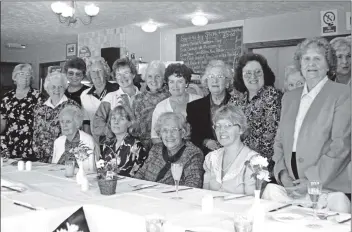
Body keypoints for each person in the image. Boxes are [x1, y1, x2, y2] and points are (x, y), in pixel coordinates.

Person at [266, 37, 351, 213]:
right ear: (300, 64)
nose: (311, 63)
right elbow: (279, 142)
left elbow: (340, 146)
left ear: (328, 65)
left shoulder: (343, 94)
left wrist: (312, 180)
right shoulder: (289, 97)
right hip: (291, 189)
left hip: (328, 191)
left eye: (317, 58)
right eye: (306, 58)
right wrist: (282, 174)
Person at [229, 53, 282, 173]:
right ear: (241, 76)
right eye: (247, 73)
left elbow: (269, 140)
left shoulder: (273, 96)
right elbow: (227, 128)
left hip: (261, 166)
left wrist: (241, 156)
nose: (253, 76)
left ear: (265, 74)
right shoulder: (236, 99)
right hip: (236, 162)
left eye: (258, 72)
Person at [135, 112, 204, 188]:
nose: (169, 135)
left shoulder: (193, 154)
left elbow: (193, 185)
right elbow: (140, 174)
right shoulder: (156, 149)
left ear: (183, 133)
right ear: (160, 133)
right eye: (165, 130)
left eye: (174, 130)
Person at [203, 105, 259, 195]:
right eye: (218, 126)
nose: (222, 130)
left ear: (241, 129)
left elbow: (252, 202)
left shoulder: (253, 161)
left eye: (228, 125)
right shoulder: (210, 158)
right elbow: (204, 195)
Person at [187, 60, 233, 155]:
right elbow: (192, 135)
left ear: (227, 83)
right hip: (204, 157)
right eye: (211, 77)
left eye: (219, 77)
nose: (214, 80)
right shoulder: (194, 107)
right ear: (206, 82)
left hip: (232, 155)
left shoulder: (238, 104)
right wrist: (206, 142)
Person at [32, 72, 80, 163]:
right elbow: (36, 132)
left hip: (64, 158)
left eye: (60, 87)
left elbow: (77, 133)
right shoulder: (39, 107)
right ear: (47, 88)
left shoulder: (72, 106)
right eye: (53, 87)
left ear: (65, 88)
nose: (57, 90)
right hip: (41, 159)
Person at [151, 63, 202, 144]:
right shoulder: (161, 107)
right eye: (171, 82)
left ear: (187, 83)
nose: (175, 86)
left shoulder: (199, 101)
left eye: (180, 81)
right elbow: (155, 138)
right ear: (167, 83)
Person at [93, 58, 140, 143]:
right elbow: (97, 123)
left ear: (133, 75)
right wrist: (112, 134)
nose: (122, 77)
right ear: (115, 77)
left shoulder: (143, 97)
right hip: (116, 147)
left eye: (126, 73)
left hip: (139, 148)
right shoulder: (110, 97)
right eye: (118, 74)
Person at [0, 64, 42, 160]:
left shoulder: (37, 96)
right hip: (10, 144)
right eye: (21, 74)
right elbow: (2, 123)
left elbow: (41, 122)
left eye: (28, 75)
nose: (25, 77)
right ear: (14, 77)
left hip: (30, 144)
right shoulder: (7, 97)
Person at [131, 61, 170, 151]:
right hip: (139, 148)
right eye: (150, 76)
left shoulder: (170, 97)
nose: (153, 80)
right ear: (145, 78)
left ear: (164, 78)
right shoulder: (137, 99)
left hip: (163, 146)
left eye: (157, 76)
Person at [101, 105, 148, 177]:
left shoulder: (136, 145)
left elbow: (138, 175)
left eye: (121, 119)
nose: (116, 122)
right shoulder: (107, 145)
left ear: (129, 123)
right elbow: (101, 171)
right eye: (113, 118)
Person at [52, 105, 98, 172]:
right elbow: (53, 167)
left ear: (77, 123)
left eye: (68, 122)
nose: (64, 125)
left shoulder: (88, 141)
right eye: (62, 122)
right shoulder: (58, 142)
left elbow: (91, 170)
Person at [80, 57, 119, 135]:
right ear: (89, 75)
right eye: (93, 71)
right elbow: (86, 122)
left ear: (105, 73)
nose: (96, 74)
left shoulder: (117, 89)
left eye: (99, 70)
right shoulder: (84, 95)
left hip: (115, 138)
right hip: (96, 140)